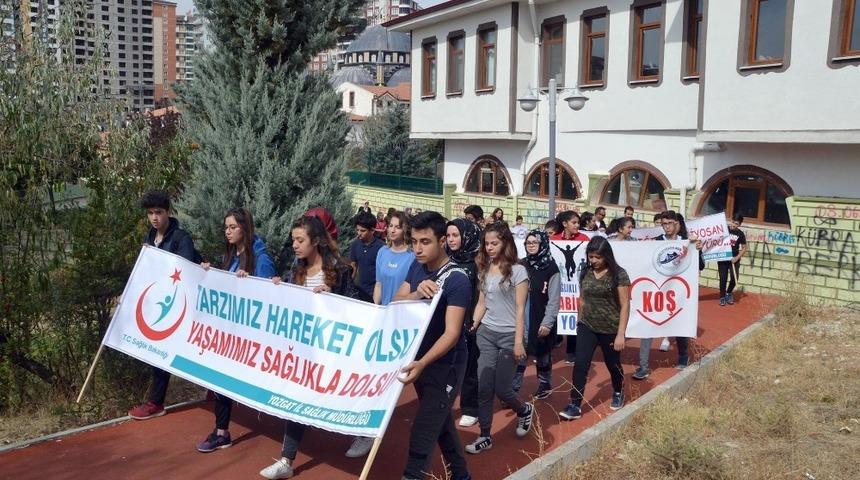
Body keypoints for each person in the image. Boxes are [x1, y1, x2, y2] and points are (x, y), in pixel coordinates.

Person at [259, 215, 367, 479]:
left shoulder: (339, 270)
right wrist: (277, 288)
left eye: (300, 240)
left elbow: (359, 307)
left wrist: (334, 298)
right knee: (297, 400)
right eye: (293, 240)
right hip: (304, 352)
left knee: (343, 394)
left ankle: (364, 431)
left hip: (332, 351)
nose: (295, 245)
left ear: (315, 241)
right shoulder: (294, 269)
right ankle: (287, 460)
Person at [393, 211, 473, 480]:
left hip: (445, 363)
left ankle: (411, 475)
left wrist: (424, 362)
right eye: (414, 241)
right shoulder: (417, 266)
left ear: (442, 241)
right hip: (420, 359)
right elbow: (397, 300)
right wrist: (417, 293)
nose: (417, 248)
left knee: (424, 429)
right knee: (442, 425)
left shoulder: (457, 280)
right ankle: (461, 476)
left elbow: (452, 333)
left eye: (425, 242)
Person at [196, 207, 276, 453]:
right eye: (226, 227)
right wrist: (211, 275)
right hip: (229, 332)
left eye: (233, 227)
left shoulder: (260, 259)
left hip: (250, 336)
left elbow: (270, 297)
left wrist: (250, 283)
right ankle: (222, 432)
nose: (227, 232)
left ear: (245, 228)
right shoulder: (230, 255)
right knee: (220, 378)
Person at [128, 191, 199, 421]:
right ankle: (156, 402)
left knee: (197, 349)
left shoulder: (180, 238)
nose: (154, 218)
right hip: (162, 305)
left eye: (159, 212)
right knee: (159, 352)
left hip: (183, 305)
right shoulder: (150, 237)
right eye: (150, 213)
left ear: (168, 212)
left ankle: (215, 390)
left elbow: (186, 270)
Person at [465, 222, 533, 454]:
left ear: (505, 243)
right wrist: (472, 326)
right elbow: (482, 303)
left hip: (509, 337)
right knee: (484, 387)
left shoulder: (518, 271)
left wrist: (518, 341)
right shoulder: (484, 268)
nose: (490, 247)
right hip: (486, 334)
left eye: (495, 243)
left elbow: (521, 309)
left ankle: (523, 410)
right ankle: (485, 435)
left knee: (502, 389)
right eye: (487, 243)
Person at [559, 237, 630, 420]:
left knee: (612, 365)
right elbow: (582, 297)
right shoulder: (585, 271)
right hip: (587, 326)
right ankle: (575, 404)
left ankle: (617, 390)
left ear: (606, 255)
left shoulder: (619, 274)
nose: (593, 261)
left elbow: (625, 305)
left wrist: (621, 333)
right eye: (591, 257)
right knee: (580, 364)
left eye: (598, 257)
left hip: (610, 328)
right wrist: (579, 318)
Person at [633, 210, 703, 380]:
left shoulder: (687, 242)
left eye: (670, 223)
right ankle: (643, 366)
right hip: (656, 291)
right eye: (664, 224)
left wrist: (698, 250)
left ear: (677, 224)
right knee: (647, 325)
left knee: (679, 323)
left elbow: (699, 265)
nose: (667, 227)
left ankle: (683, 355)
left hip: (678, 292)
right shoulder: (655, 242)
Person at [512, 230, 561, 399]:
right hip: (522, 319)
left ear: (543, 244)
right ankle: (513, 389)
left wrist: (548, 322)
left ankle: (544, 384)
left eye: (535, 242)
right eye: (528, 242)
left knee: (543, 356)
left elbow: (554, 299)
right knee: (519, 355)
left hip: (541, 319)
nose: (531, 245)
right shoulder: (521, 265)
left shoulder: (551, 268)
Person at [445, 218, 482, 428]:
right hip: (446, 322)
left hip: (469, 324)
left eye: (455, 235)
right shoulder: (446, 260)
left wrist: (473, 322)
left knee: (469, 368)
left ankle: (470, 408)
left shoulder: (476, 263)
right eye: (448, 235)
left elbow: (481, 296)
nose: (451, 240)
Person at [373, 211, 415, 305]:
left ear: (405, 230)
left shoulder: (412, 256)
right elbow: (379, 285)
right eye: (391, 226)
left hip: (402, 311)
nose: (392, 230)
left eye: (397, 227)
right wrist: (375, 308)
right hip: (384, 310)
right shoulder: (382, 252)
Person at [349, 211, 384, 302]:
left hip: (376, 293)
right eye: (357, 230)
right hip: (359, 292)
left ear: (372, 230)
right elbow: (353, 267)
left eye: (363, 231)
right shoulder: (355, 245)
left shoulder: (382, 248)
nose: (359, 233)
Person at [718, 213, 747, 306]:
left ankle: (728, 293)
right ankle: (722, 297)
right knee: (723, 278)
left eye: (736, 224)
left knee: (734, 278)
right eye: (733, 222)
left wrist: (737, 258)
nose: (734, 225)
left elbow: (744, 248)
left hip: (734, 259)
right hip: (723, 258)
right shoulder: (724, 229)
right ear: (731, 220)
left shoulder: (740, 234)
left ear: (740, 225)